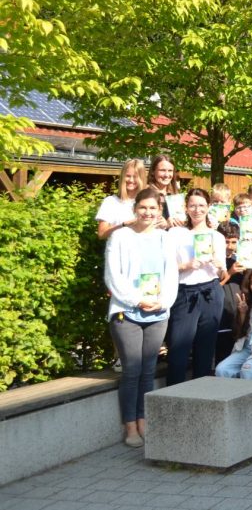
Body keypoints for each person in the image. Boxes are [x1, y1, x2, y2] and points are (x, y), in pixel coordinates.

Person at [104, 188, 178, 447]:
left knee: (148, 371)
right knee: (132, 371)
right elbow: (113, 277)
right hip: (127, 312)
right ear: (135, 208)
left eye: (153, 208)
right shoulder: (121, 237)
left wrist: (163, 301)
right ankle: (130, 426)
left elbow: (172, 275)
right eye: (143, 207)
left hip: (158, 312)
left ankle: (144, 421)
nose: (148, 212)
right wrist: (137, 300)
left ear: (160, 211)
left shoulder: (164, 238)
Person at [166, 188, 227, 386]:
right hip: (185, 293)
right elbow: (165, 268)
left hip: (211, 293)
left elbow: (223, 275)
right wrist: (186, 266)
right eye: (192, 205)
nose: (197, 209)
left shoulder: (217, 237)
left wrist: (219, 266)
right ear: (186, 207)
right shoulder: (176, 234)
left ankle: (202, 397)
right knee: (178, 349)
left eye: (201, 205)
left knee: (205, 349)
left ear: (208, 207)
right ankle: (172, 398)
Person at [96, 159, 147, 240]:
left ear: (142, 179)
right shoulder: (110, 202)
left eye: (135, 177)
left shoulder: (148, 202)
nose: (131, 180)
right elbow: (101, 234)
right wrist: (123, 225)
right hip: (116, 250)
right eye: (128, 176)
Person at [148, 154, 182, 228]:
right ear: (153, 172)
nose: (167, 175)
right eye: (162, 170)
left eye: (170, 171)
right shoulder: (145, 194)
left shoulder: (176, 196)